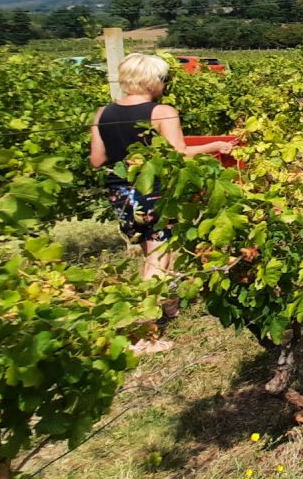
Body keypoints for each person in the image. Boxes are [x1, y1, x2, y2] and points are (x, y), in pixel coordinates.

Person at [89, 53, 232, 353]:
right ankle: (140, 336)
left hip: (120, 193)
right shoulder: (162, 112)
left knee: (148, 251)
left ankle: (165, 305)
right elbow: (178, 154)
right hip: (153, 191)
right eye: (164, 79)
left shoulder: (102, 113)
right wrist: (214, 146)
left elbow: (97, 160)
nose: (165, 84)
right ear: (152, 81)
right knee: (159, 257)